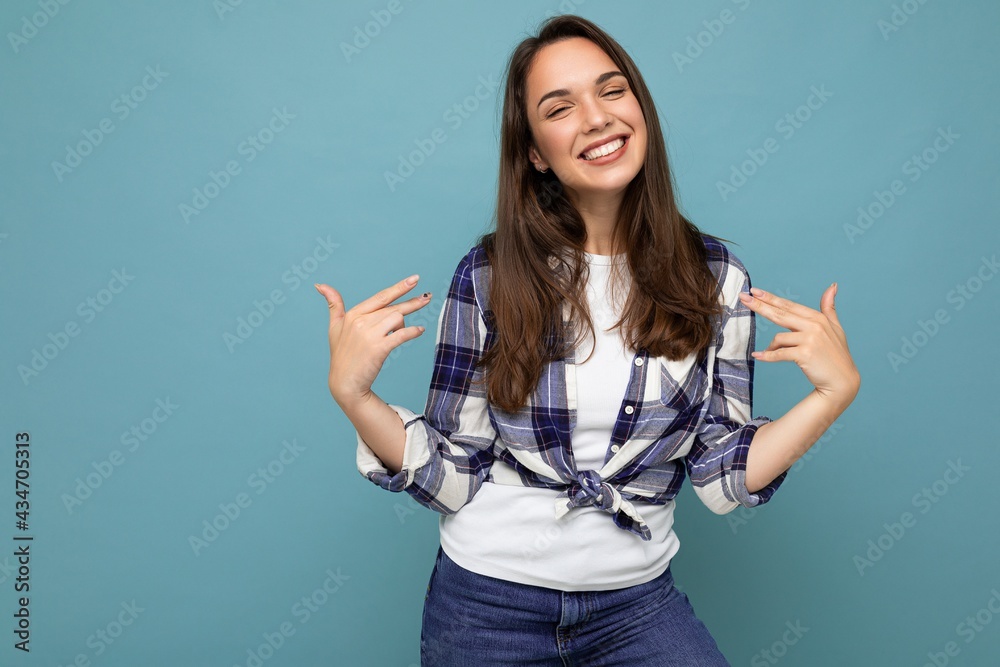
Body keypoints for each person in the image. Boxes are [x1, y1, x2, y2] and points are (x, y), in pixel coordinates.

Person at [315, 14, 860, 666]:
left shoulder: (717, 278)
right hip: (485, 606)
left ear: (640, 107)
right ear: (535, 153)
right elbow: (452, 474)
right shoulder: (488, 276)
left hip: (636, 606)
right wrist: (354, 395)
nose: (597, 118)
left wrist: (831, 395)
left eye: (611, 90)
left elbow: (722, 476)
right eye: (560, 107)